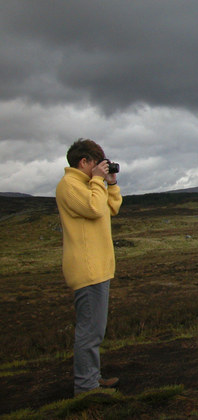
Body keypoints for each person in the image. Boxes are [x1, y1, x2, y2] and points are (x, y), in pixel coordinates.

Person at [55, 139, 123, 396]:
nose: (101, 169)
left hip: (98, 267)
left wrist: (111, 183)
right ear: (83, 162)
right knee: (90, 331)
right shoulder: (70, 185)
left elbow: (111, 208)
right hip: (87, 268)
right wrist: (98, 181)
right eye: (97, 163)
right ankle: (86, 387)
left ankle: (92, 379)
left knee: (95, 329)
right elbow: (95, 209)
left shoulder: (87, 185)